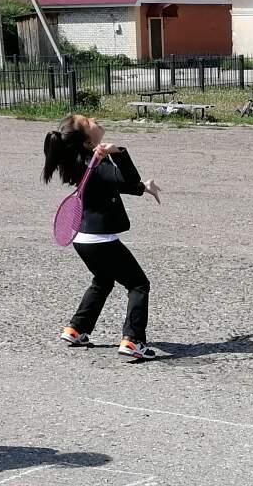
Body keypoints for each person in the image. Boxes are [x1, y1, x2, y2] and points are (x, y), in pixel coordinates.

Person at [42, 113, 164, 361]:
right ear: (88, 141)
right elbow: (125, 178)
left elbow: (115, 183)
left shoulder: (81, 160)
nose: (94, 119)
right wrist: (117, 153)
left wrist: (144, 187)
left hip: (82, 239)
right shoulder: (95, 161)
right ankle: (133, 340)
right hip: (101, 241)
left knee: (103, 280)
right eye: (87, 121)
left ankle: (76, 329)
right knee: (138, 284)